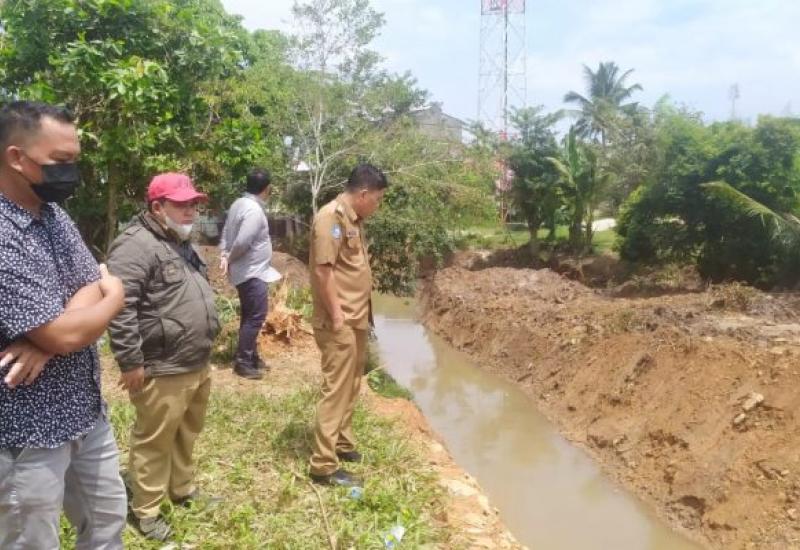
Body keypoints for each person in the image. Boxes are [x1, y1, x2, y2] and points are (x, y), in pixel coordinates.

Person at [0, 101, 127, 548]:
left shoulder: (51, 214)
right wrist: (116, 296)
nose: (71, 173)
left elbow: (89, 280)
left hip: (83, 411)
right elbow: (86, 307)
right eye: (60, 162)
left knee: (107, 524)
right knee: (31, 541)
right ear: (17, 158)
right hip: (26, 431)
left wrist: (50, 340)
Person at [106, 173, 221, 541]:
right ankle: (146, 509)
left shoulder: (181, 241)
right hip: (162, 364)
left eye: (193, 204)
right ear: (157, 207)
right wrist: (131, 361)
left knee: (187, 431)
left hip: (195, 361)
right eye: (182, 204)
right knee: (154, 439)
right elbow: (121, 308)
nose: (191, 210)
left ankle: (182, 488)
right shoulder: (134, 246)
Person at [308, 163, 388, 487]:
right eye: (378, 199)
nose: (378, 206)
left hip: (356, 318)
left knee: (351, 385)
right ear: (364, 193)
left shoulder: (353, 220)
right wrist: (338, 318)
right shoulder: (331, 218)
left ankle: (341, 442)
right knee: (336, 389)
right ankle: (323, 465)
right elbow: (323, 272)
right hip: (339, 321)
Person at [219, 168, 281, 380]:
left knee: (249, 315)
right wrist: (229, 257)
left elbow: (226, 231)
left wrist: (224, 253)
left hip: (247, 271)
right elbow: (243, 241)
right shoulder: (253, 210)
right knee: (256, 315)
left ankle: (251, 356)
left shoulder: (238, 204)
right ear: (267, 189)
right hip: (252, 271)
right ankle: (243, 362)